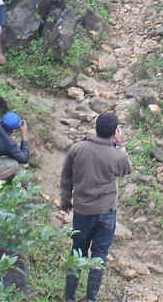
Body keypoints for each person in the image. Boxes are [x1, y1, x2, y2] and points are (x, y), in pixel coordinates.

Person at [60, 113, 132, 302]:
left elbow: (66, 178)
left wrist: (65, 202)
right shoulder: (117, 154)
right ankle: (90, 298)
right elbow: (126, 170)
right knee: (99, 256)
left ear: (96, 128)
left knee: (77, 253)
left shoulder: (77, 148)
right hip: (106, 212)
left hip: (82, 211)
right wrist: (120, 144)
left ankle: (69, 297)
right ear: (115, 132)